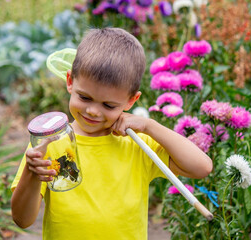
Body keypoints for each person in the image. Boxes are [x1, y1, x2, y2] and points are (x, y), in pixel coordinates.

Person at [11, 27, 212, 240]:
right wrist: (32, 174)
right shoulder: (49, 142)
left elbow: (202, 167)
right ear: (70, 81)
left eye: (108, 105)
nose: (93, 111)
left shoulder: (138, 144)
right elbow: (22, 220)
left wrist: (149, 126)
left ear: (130, 101)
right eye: (85, 98)